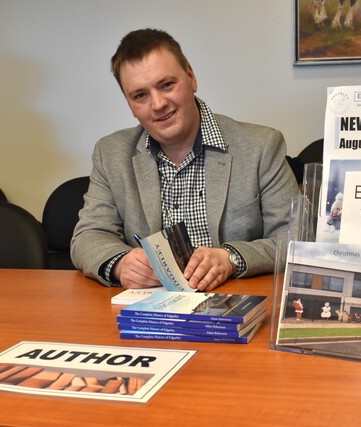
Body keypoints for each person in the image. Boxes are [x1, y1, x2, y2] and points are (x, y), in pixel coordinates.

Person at [71, 28, 300, 291]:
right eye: (140, 95)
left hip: (235, 300)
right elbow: (87, 236)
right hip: (151, 306)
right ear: (129, 103)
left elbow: (294, 238)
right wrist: (121, 264)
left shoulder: (261, 146)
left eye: (166, 85)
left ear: (191, 77)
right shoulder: (110, 153)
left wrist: (231, 258)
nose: (158, 104)